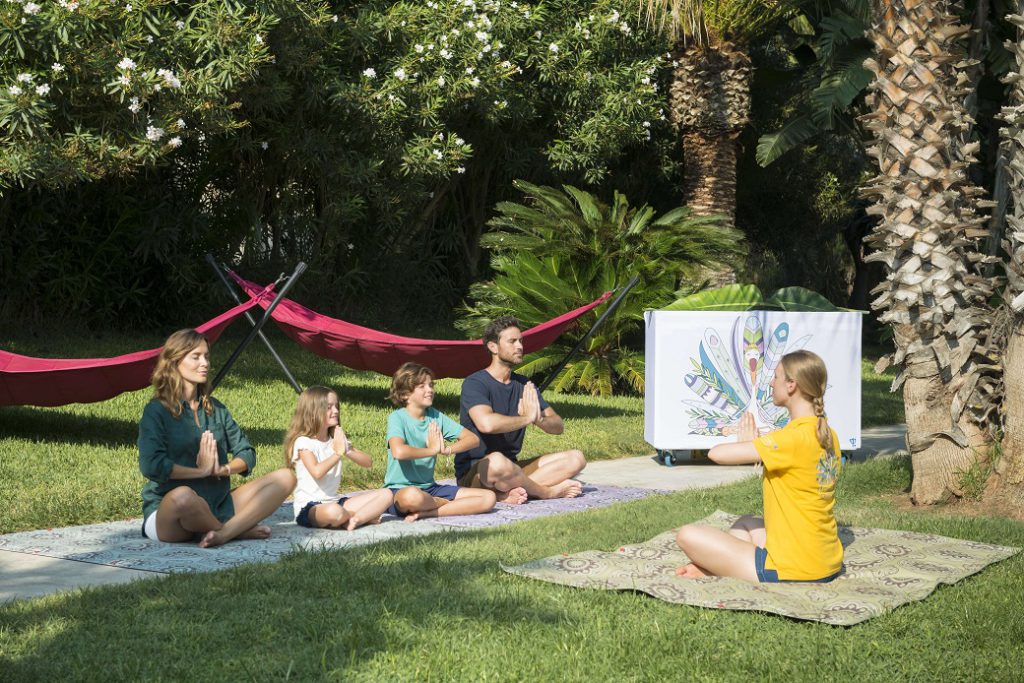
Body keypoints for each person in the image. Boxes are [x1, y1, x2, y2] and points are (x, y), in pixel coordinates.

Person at [675, 350, 844, 583]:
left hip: (793, 567)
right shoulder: (827, 434)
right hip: (826, 561)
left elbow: (717, 454)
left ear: (792, 385)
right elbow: (792, 454)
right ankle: (718, 565)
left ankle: (716, 566)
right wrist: (759, 446)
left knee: (687, 535)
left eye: (776, 377)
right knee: (746, 523)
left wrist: (749, 444)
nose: (771, 384)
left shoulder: (790, 439)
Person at [138, 329, 295, 548]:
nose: (205, 363)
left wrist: (222, 470)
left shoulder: (216, 409)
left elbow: (246, 453)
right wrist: (200, 472)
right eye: (196, 356)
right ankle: (231, 531)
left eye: (206, 357)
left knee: (286, 477)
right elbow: (151, 465)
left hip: (218, 505)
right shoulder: (156, 411)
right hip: (172, 514)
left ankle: (223, 532)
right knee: (183, 496)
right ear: (175, 361)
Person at [457, 316, 586, 504]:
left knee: (576, 458)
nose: (520, 346)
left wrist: (538, 419)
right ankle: (546, 492)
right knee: (497, 461)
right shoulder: (475, 383)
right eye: (512, 341)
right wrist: (526, 418)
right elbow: (486, 424)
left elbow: (558, 426)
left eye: (521, 341)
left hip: (512, 468)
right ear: (493, 347)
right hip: (477, 471)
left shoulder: (524, 385)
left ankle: (508, 493)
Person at [385, 362, 496, 521]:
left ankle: (429, 511)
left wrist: (447, 450)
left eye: (431, 385)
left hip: (431, 489)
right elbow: (398, 452)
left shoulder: (435, 416)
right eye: (422, 386)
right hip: (401, 490)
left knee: (489, 498)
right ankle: (438, 503)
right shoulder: (397, 417)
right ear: (405, 394)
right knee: (412, 497)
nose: (429, 390)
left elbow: (472, 439)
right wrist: (432, 450)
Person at [283, 386, 393, 530]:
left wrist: (346, 450)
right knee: (334, 512)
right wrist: (337, 453)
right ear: (313, 412)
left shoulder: (335, 440)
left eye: (336, 406)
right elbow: (317, 471)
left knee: (386, 494)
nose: (336, 411)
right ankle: (362, 516)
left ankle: (355, 519)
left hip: (336, 501)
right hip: (311, 507)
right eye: (329, 407)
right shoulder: (304, 442)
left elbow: (368, 462)